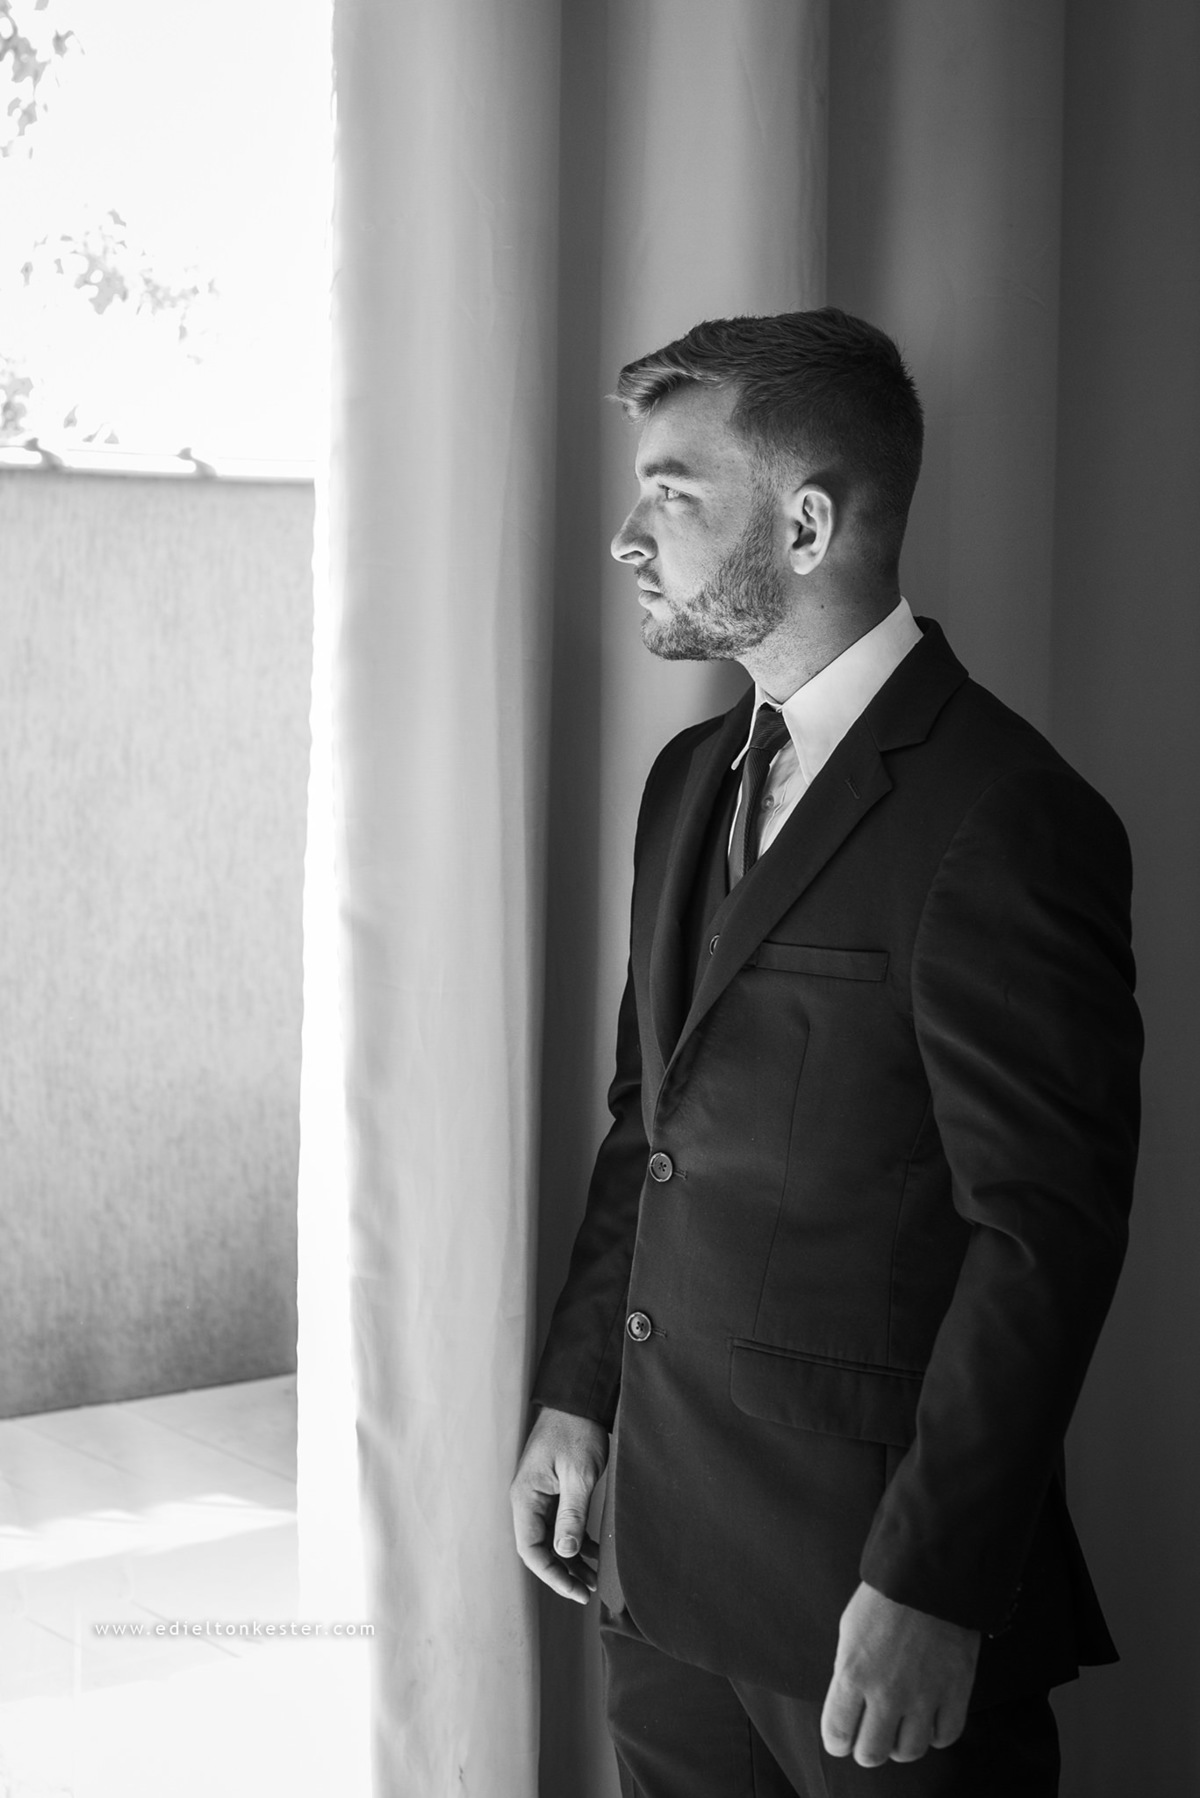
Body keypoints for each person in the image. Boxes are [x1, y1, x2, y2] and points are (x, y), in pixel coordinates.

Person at [510, 309, 1141, 1795]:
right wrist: (579, 1392)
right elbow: (647, 1124)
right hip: (656, 1560)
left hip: (870, 1596)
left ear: (804, 525)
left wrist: (935, 1576)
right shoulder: (686, 780)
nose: (627, 536)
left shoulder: (1007, 814)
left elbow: (1042, 1235)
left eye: (671, 493)